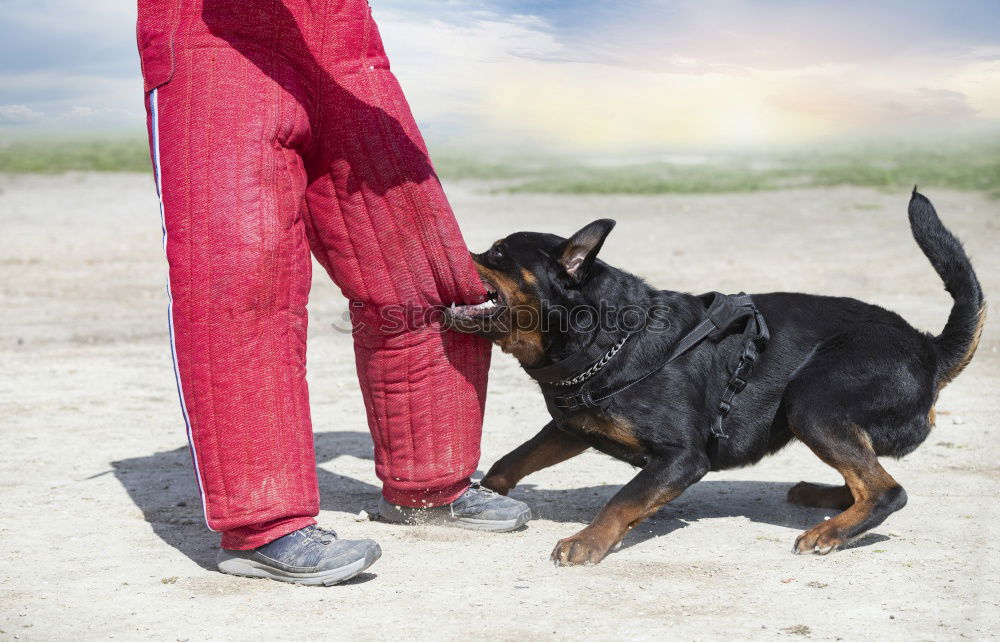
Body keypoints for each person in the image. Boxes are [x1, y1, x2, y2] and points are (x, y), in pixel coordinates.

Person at [136, 0, 530, 586]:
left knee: (415, 263)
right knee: (241, 280)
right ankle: (265, 526)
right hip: (212, 45)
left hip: (344, 44)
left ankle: (431, 484)